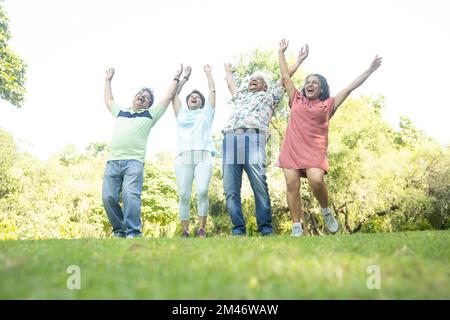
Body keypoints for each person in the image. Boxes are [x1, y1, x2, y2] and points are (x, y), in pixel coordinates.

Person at [277, 39, 382, 237]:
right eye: (307, 82)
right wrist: (281, 52)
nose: (309, 84)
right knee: (292, 185)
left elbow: (350, 87)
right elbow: (284, 76)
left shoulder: (328, 105)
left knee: (316, 180)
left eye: (314, 83)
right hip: (291, 149)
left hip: (314, 151)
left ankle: (326, 213)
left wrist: (369, 70)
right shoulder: (296, 98)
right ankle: (296, 227)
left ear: (321, 89)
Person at [222, 50, 307, 236]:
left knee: (258, 185)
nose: (252, 80)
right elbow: (231, 86)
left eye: (257, 79)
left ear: (265, 86)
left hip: (253, 139)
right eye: (251, 79)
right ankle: (238, 230)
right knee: (230, 189)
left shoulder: (269, 96)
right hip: (230, 139)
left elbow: (285, 77)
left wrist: (298, 60)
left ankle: (266, 229)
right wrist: (229, 71)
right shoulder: (241, 97)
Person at [102, 65, 183, 238]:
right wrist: (108, 81)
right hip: (113, 162)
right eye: (141, 94)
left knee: (131, 195)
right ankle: (119, 231)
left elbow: (168, 97)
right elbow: (109, 100)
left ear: (148, 104)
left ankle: (133, 232)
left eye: (146, 98)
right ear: (134, 97)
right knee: (108, 197)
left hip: (134, 163)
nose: (142, 97)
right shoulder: (121, 112)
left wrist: (176, 77)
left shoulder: (150, 114)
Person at [171, 65, 216, 238]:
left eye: (197, 97)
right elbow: (173, 95)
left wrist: (208, 74)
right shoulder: (181, 114)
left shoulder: (206, 113)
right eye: (191, 97)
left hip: (203, 156)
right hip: (183, 158)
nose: (194, 97)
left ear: (202, 103)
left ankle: (202, 229)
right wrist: (184, 78)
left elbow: (212, 92)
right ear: (188, 101)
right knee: (183, 194)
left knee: (203, 190)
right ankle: (185, 230)